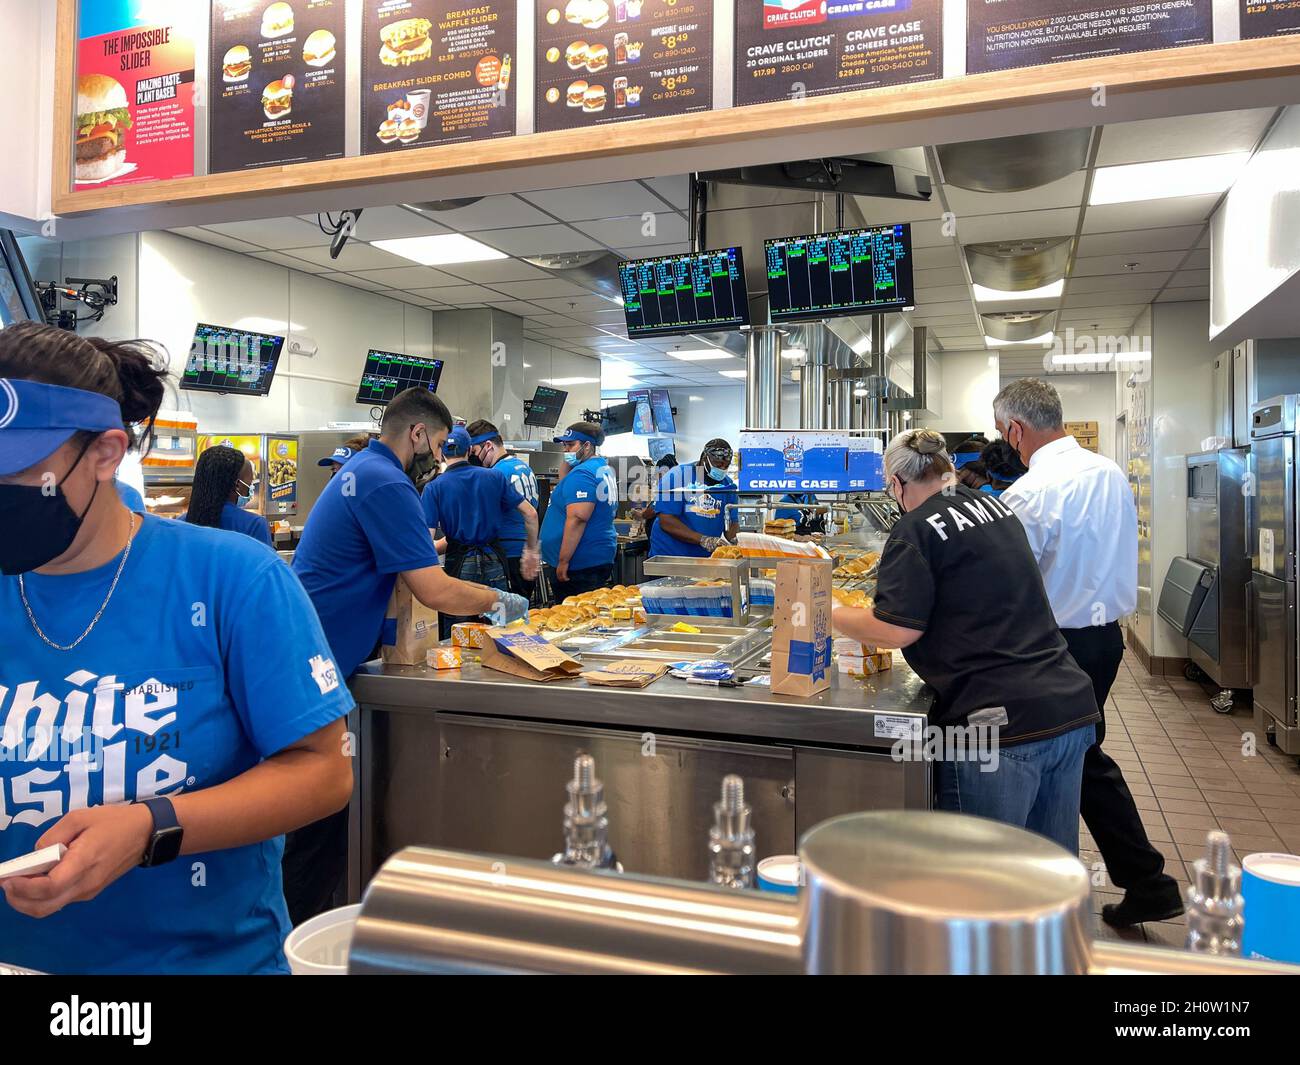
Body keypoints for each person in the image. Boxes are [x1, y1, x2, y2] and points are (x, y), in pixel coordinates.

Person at [0, 322, 354, 974]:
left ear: (106, 454)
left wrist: (150, 826)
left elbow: (324, 769)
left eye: (15, 473)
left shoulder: (232, 579)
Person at [286, 388, 529, 923]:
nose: (440, 457)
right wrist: (501, 599)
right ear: (417, 434)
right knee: (315, 825)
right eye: (439, 444)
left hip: (316, 655)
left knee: (318, 825)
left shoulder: (363, 470)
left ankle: (303, 927)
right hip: (312, 666)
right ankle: (293, 943)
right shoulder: (386, 481)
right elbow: (434, 590)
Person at [832, 428, 1100, 855]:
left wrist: (827, 612)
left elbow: (896, 629)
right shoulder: (996, 508)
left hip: (998, 728)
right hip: (1066, 707)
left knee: (982, 878)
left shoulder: (915, 529)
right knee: (1050, 876)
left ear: (898, 484)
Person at [994, 377, 1182, 926]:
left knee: (1061, 755)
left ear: (1015, 429)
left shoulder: (1030, 493)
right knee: (1080, 749)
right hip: (1107, 639)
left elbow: (1007, 583)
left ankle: (1127, 881)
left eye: (1004, 434)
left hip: (1056, 646)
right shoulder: (1109, 471)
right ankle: (1143, 880)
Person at [422, 425, 540, 636]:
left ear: (441, 453)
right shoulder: (493, 477)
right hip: (494, 560)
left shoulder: (434, 487)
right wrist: (531, 551)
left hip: (459, 564)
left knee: (458, 634)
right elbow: (530, 514)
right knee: (502, 629)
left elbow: (425, 541)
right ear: (469, 450)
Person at [465, 418, 542, 600]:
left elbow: (481, 520)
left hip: (506, 557)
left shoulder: (495, 474)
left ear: (488, 446)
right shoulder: (525, 468)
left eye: (474, 451)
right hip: (525, 552)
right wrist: (532, 549)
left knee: (504, 622)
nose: (473, 458)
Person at [541, 421, 618, 599]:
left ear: (587, 445)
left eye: (570, 445)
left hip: (579, 564)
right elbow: (567, 487)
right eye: (564, 445)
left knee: (573, 618)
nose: (565, 451)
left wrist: (563, 560)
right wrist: (569, 462)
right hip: (595, 558)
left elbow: (577, 519)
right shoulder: (602, 468)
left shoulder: (583, 474)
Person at [648, 438, 739, 558]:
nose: (722, 470)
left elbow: (731, 524)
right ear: (704, 459)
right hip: (670, 556)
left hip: (703, 560)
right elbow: (666, 520)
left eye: (725, 466)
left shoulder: (727, 485)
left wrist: (738, 541)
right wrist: (703, 539)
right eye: (718, 465)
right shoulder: (677, 476)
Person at [183, 444, 272, 546]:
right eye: (250, 483)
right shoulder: (254, 525)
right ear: (237, 486)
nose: (250, 488)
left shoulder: (181, 523)